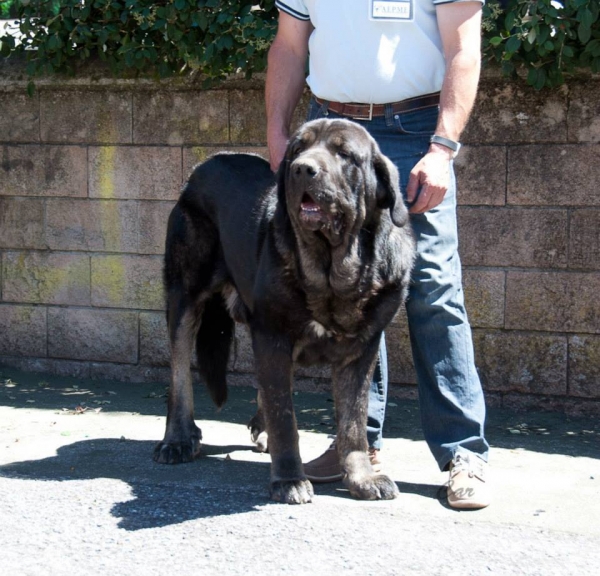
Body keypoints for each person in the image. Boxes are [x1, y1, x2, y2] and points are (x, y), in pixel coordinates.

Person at [265, 0, 491, 510]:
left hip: (414, 132)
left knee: (432, 287)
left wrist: (443, 147)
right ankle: (357, 449)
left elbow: (463, 49)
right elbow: (288, 46)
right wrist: (280, 136)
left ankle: (464, 454)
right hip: (328, 134)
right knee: (346, 290)